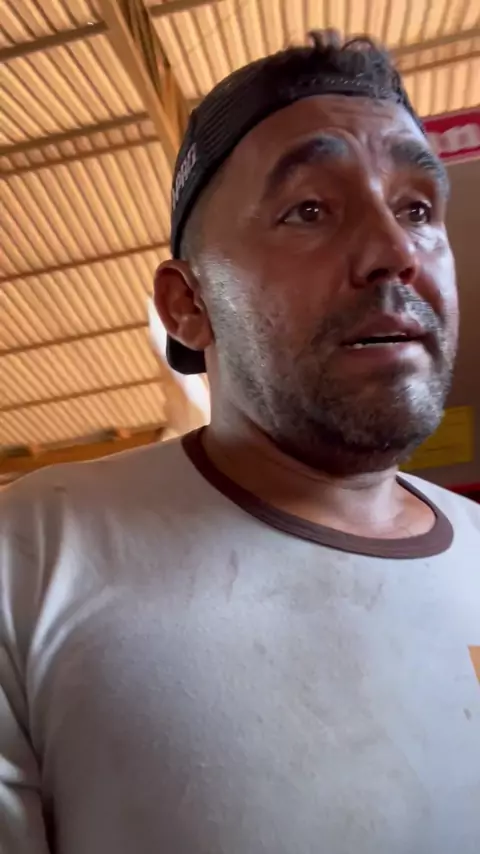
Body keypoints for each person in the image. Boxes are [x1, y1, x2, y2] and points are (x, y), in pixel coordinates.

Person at [1, 31, 479, 854]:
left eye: (417, 209)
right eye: (309, 210)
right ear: (187, 306)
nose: (397, 252)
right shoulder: (32, 557)